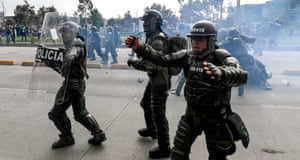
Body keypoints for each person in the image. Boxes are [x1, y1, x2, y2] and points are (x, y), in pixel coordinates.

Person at [125, 20, 249, 160]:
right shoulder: (187, 56)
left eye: (200, 39)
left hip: (215, 118)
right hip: (191, 115)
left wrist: (222, 73)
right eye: (193, 38)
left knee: (217, 156)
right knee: (178, 154)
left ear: (211, 39)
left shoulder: (221, 56)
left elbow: (241, 75)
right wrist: (140, 47)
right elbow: (161, 59)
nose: (195, 42)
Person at [47, 21, 106, 149]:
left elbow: (72, 56)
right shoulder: (72, 45)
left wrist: (67, 56)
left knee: (56, 113)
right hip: (76, 83)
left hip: (72, 84)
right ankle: (98, 133)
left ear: (74, 32)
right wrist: (53, 63)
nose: (63, 35)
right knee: (80, 113)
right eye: (62, 32)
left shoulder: (76, 44)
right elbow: (66, 69)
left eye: (66, 32)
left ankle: (67, 137)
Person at [127, 9, 171, 159]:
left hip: (160, 81)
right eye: (144, 21)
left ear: (156, 21)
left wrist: (135, 63)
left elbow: (154, 65)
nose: (144, 24)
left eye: (147, 21)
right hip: (155, 79)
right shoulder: (152, 37)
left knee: (159, 114)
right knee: (146, 104)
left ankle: (165, 148)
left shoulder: (158, 39)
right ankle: (152, 130)